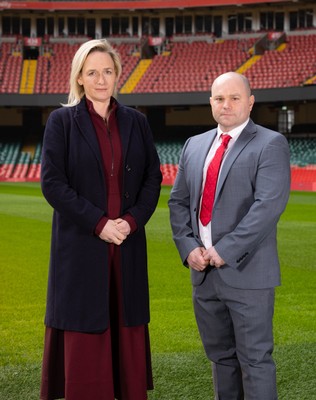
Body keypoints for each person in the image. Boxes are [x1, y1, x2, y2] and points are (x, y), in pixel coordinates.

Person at [40, 38, 162, 400]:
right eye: (92, 72)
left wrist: (131, 221)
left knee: (125, 318)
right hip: (82, 243)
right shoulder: (61, 121)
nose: (101, 79)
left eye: (107, 71)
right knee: (86, 321)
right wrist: (99, 223)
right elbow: (53, 184)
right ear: (79, 78)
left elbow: (152, 178)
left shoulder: (136, 122)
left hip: (126, 242)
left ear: (117, 75)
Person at [168, 71, 290, 400]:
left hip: (247, 274)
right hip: (203, 274)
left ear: (250, 103)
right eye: (220, 98)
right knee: (221, 360)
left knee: (255, 361)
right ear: (210, 103)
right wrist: (188, 246)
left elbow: (268, 207)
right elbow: (178, 202)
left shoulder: (270, 143)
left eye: (235, 98)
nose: (226, 105)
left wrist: (224, 250)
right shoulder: (194, 146)